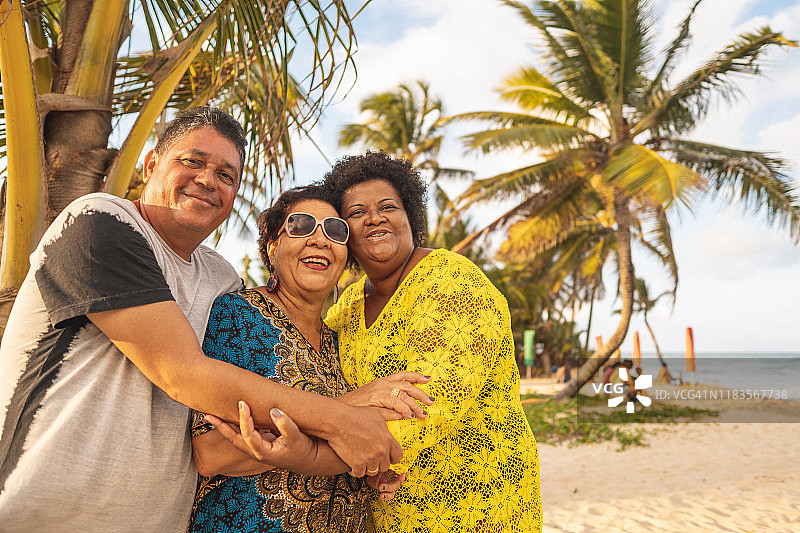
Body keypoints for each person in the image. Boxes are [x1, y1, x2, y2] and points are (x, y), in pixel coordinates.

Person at [0, 108, 400, 532]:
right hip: (44, 512)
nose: (209, 180)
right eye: (192, 161)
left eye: (226, 175)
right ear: (152, 165)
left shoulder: (221, 278)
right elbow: (184, 373)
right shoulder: (100, 220)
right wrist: (346, 417)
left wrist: (355, 453)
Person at [189, 185, 431, 532]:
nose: (319, 239)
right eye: (301, 225)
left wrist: (368, 470)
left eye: (336, 231)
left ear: (346, 259)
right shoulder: (238, 315)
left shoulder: (340, 341)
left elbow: (341, 445)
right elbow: (210, 453)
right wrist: (351, 407)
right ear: (272, 247)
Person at [322, 152, 543, 532]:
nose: (374, 218)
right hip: (390, 508)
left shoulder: (453, 282)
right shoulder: (347, 306)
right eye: (357, 213)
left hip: (478, 504)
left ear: (410, 217)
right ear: (344, 234)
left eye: (387, 206)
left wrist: (306, 443)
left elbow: (428, 407)